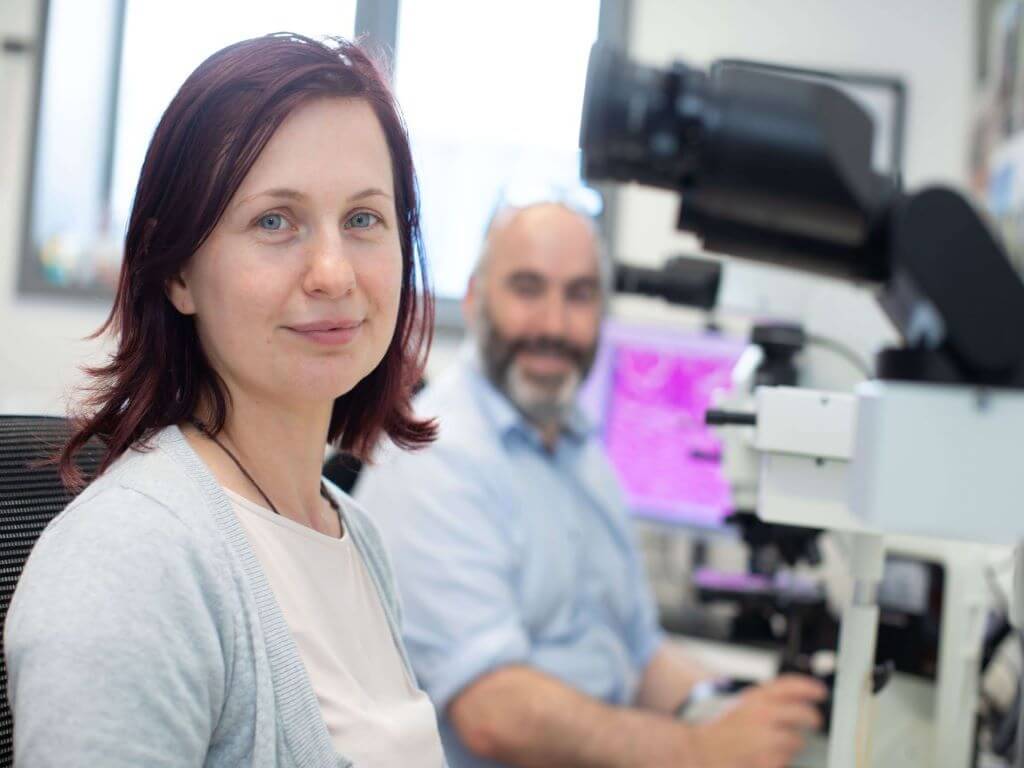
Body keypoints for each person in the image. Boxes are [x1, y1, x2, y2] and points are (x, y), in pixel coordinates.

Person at [5, 34, 447, 768]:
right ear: (176, 273)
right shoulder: (129, 562)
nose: (334, 273)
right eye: (275, 221)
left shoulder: (355, 535)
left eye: (364, 219)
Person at [354, 197, 828, 768]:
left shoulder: (579, 451)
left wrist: (734, 710)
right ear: (477, 300)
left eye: (578, 295)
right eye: (527, 288)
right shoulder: (434, 460)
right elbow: (493, 713)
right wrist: (699, 749)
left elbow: (641, 652)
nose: (554, 325)